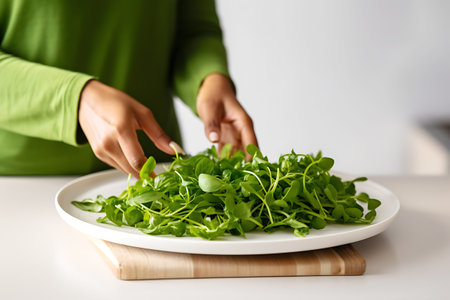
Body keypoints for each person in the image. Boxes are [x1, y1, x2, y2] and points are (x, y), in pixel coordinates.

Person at [0, 0, 257, 178]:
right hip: (21, 187)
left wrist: (208, 80)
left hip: (154, 179)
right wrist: (73, 98)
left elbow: (193, 30)